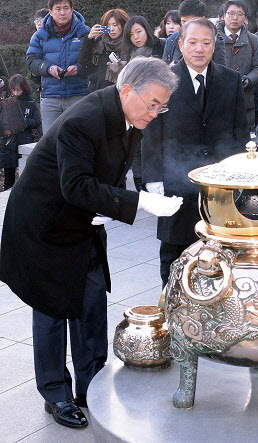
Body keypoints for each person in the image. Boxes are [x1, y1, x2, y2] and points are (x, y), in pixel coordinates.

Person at [0, 57, 182, 429]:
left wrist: (124, 196)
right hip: (44, 223)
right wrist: (139, 202)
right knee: (51, 307)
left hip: (80, 220)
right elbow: (76, 185)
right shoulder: (84, 121)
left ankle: (92, 386)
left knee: (91, 302)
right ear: (127, 89)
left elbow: (106, 173)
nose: (157, 112)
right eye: (153, 104)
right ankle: (56, 393)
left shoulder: (129, 117)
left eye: (162, 106)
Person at [142, 18, 250, 288]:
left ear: (215, 45)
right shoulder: (163, 81)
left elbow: (240, 131)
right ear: (180, 44)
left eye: (206, 42)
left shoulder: (231, 80)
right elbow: (151, 134)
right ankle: (172, 308)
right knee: (174, 256)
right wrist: (153, 179)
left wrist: (240, 177)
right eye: (192, 42)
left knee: (219, 254)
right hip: (176, 181)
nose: (199, 49)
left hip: (219, 185)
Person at [26, 0, 90, 134]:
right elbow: (31, 61)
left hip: (78, 96)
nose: (62, 12)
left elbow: (95, 63)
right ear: (50, 12)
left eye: (66, 8)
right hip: (50, 98)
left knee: (78, 141)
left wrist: (79, 68)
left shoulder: (85, 32)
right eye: (58, 8)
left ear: (72, 10)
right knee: (50, 144)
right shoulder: (40, 35)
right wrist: (48, 68)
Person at [121, 16, 166, 192]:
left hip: (157, 103)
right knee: (135, 144)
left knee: (150, 143)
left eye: (139, 31)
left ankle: (153, 180)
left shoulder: (160, 46)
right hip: (136, 103)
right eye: (131, 34)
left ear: (146, 29)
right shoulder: (129, 53)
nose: (136, 37)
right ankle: (140, 184)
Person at [217, 0, 258, 129]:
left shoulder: (253, 40)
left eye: (240, 14)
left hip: (245, 98)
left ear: (245, 18)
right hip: (218, 97)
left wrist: (248, 80)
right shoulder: (213, 38)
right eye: (231, 14)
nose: (235, 18)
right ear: (223, 15)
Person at [0, 74, 41, 190]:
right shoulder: (6, 102)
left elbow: (37, 122)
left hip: (25, 142)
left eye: (18, 90)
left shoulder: (31, 103)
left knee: (27, 179)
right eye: (13, 90)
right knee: (8, 182)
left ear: (24, 88)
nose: (16, 93)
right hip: (8, 145)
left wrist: (23, 121)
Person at [78, 8, 129, 91]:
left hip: (120, 91)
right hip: (98, 91)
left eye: (115, 25)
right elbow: (83, 61)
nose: (112, 29)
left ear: (123, 25)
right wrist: (89, 38)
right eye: (108, 25)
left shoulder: (129, 44)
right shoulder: (100, 42)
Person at [162, 0, 226, 66]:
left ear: (203, 19)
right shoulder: (172, 39)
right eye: (184, 22)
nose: (187, 27)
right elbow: (163, 70)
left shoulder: (215, 40)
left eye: (192, 22)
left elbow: (220, 71)